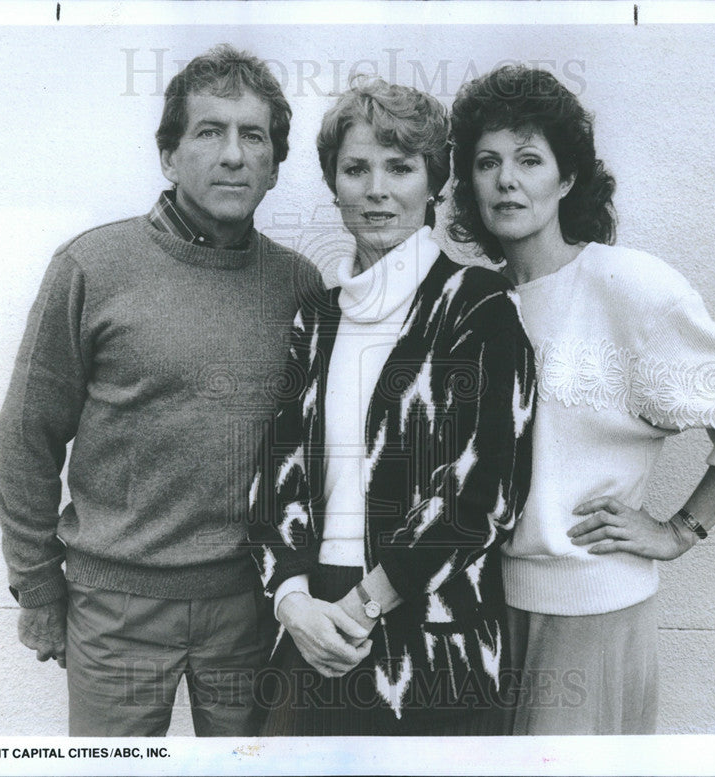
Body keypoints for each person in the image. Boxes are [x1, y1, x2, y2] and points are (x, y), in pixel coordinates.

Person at [447, 65, 715, 735]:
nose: (507, 179)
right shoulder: (476, 301)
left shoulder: (625, 286)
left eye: (530, 159)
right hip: (495, 614)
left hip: (596, 617)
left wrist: (680, 528)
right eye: (487, 161)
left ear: (566, 179)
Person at [0, 44, 322, 737]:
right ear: (169, 156)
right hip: (114, 610)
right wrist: (38, 587)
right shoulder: (92, 267)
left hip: (249, 609)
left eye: (253, 135)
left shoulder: (299, 287)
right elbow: (27, 438)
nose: (233, 154)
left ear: (273, 164)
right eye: (209, 131)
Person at [246, 78, 538, 736]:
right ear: (334, 185)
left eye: (400, 167)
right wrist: (294, 600)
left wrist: (364, 601)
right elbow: (278, 472)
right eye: (356, 168)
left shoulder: (478, 306)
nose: (377, 188)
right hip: (315, 616)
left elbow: (488, 489)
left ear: (434, 181)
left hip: (433, 638)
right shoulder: (318, 319)